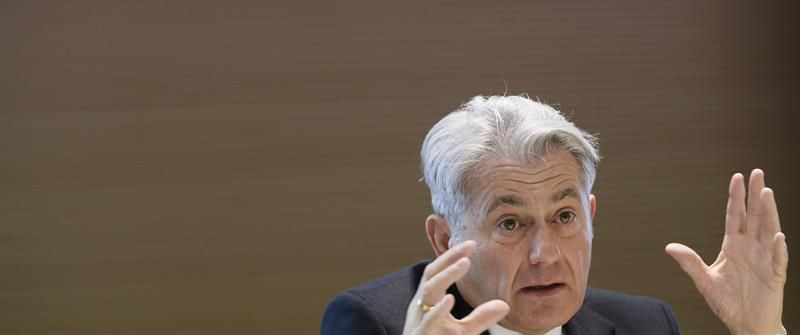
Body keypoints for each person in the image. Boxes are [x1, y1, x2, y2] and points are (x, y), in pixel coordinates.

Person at [321, 95, 788, 335]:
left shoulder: (644, 325)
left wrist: (758, 332)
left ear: (590, 215)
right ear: (445, 240)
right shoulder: (377, 323)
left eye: (564, 216)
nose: (544, 254)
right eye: (510, 223)